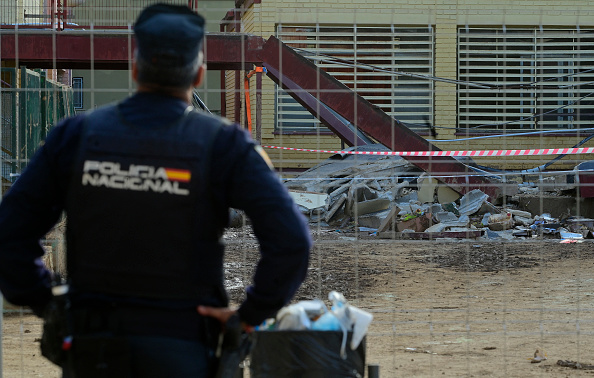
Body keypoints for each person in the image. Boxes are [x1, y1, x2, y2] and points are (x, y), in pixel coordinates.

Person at [0, 3, 311, 377]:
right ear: (198, 74)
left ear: (135, 68)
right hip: (184, 348)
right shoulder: (225, 145)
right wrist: (248, 315)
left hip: (93, 346)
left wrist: (49, 303)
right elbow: (291, 242)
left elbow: (9, 236)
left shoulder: (76, 137)